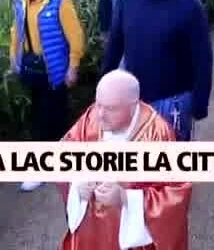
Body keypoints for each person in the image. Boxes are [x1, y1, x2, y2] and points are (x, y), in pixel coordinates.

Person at [58, 69, 192, 250]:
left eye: (111, 108)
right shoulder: (91, 118)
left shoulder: (157, 135)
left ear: (133, 106)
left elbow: (177, 193)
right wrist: (77, 184)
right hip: (92, 235)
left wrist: (127, 198)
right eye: (98, 105)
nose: (100, 114)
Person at [103, 0, 212, 141]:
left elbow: (203, 59)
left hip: (174, 101)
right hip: (135, 99)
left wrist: (200, 103)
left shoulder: (190, 5)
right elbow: (116, 41)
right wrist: (105, 83)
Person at [9, 0, 85, 192]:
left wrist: (73, 66)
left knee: (55, 116)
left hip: (54, 69)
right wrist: (14, 56)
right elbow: (16, 30)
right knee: (39, 116)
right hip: (32, 67)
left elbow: (76, 36)